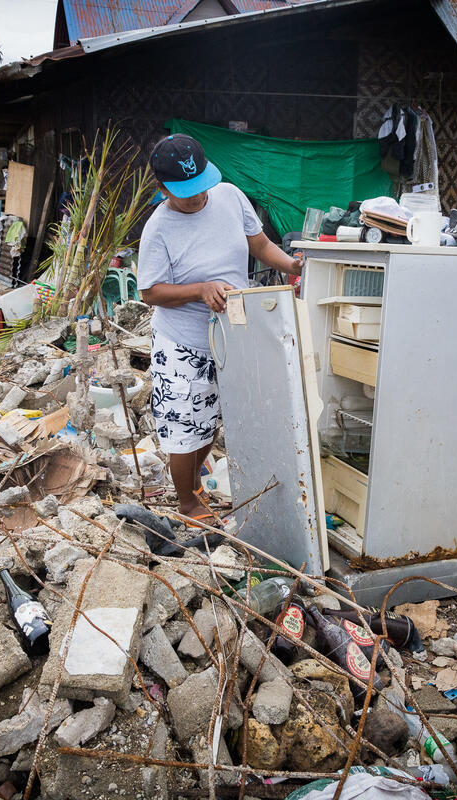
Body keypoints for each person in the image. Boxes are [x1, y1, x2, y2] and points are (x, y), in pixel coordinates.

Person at [138, 133, 302, 524]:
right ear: (161, 188)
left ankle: (194, 483)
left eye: (201, 187)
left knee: (212, 421)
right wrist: (200, 290)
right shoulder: (158, 229)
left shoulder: (229, 196)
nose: (198, 197)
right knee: (186, 427)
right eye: (185, 192)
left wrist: (292, 266)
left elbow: (260, 244)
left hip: (235, 337)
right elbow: (150, 291)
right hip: (184, 342)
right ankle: (188, 502)